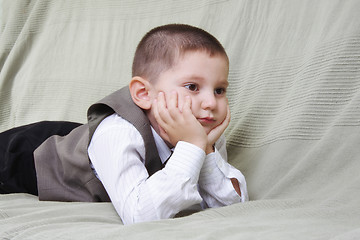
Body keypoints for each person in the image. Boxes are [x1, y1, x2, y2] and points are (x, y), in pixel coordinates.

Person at [0, 24, 248, 224]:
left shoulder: (200, 130)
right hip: (30, 155)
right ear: (143, 93)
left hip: (87, 142)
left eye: (219, 90)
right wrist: (193, 146)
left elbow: (231, 205)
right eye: (192, 87)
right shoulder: (119, 132)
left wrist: (202, 149)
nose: (210, 103)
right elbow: (140, 214)